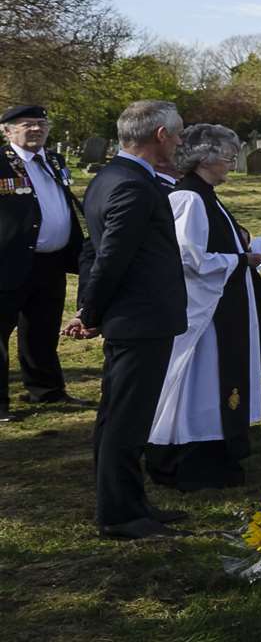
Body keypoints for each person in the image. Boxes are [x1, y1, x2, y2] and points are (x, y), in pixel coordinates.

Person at [73, 101, 189, 540]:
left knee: (120, 415)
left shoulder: (111, 177)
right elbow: (109, 257)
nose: (180, 141)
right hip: (139, 319)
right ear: (160, 134)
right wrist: (90, 311)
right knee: (127, 419)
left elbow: (91, 250)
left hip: (135, 317)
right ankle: (120, 515)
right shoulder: (132, 186)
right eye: (177, 134)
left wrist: (89, 306)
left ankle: (130, 503)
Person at [147, 124, 261, 492]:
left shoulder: (206, 195)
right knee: (199, 383)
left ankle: (217, 450)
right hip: (204, 314)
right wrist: (239, 261)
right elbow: (187, 259)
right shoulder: (188, 198)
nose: (232, 163)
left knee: (216, 382)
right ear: (205, 157)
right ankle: (190, 459)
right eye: (229, 156)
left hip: (222, 304)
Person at [1, 104, 85, 419]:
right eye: (26, 124)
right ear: (7, 131)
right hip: (8, 261)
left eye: (41, 123)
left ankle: (47, 391)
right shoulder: (1, 162)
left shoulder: (53, 159)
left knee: (42, 330)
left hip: (50, 261)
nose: (36, 129)